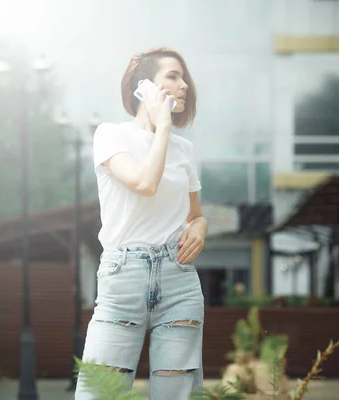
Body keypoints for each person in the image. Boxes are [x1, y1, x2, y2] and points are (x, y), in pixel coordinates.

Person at [75, 48, 208, 399]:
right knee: (100, 393)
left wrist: (200, 226)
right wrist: (162, 124)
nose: (184, 86)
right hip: (123, 277)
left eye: (185, 79)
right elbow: (145, 183)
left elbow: (195, 214)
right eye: (173, 77)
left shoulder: (184, 150)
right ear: (143, 86)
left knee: (176, 395)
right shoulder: (110, 135)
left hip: (178, 279)